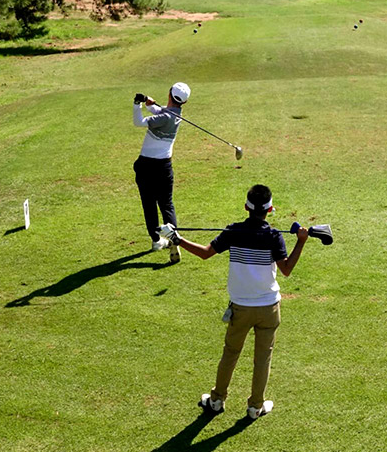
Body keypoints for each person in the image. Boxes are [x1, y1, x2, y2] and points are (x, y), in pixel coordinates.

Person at [159, 184, 309, 420]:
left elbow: (205, 252)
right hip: (269, 309)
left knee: (230, 354)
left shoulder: (234, 231)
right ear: (270, 210)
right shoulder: (274, 236)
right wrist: (301, 241)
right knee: (263, 359)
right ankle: (255, 407)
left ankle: (217, 400)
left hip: (241, 308)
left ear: (246, 208)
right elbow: (287, 269)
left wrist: (177, 238)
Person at [132, 82, 190, 263]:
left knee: (149, 204)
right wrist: (149, 102)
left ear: (170, 94)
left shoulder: (165, 117)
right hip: (164, 166)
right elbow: (159, 111)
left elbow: (138, 122)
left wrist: (137, 104)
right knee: (167, 205)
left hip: (146, 166)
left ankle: (157, 240)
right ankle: (174, 239)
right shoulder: (176, 115)